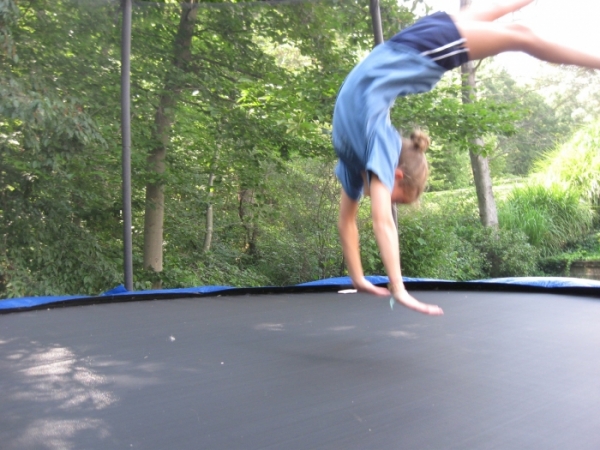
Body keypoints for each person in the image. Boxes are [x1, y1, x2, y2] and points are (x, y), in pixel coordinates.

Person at [333, 0, 600, 315]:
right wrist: (364, 279)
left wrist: (390, 285)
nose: (388, 202)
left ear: (398, 175)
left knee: (518, 33)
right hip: (413, 46)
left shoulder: (373, 149)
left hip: (415, 48)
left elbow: (373, 221)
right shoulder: (364, 153)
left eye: (396, 200)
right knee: (511, 28)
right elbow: (355, 220)